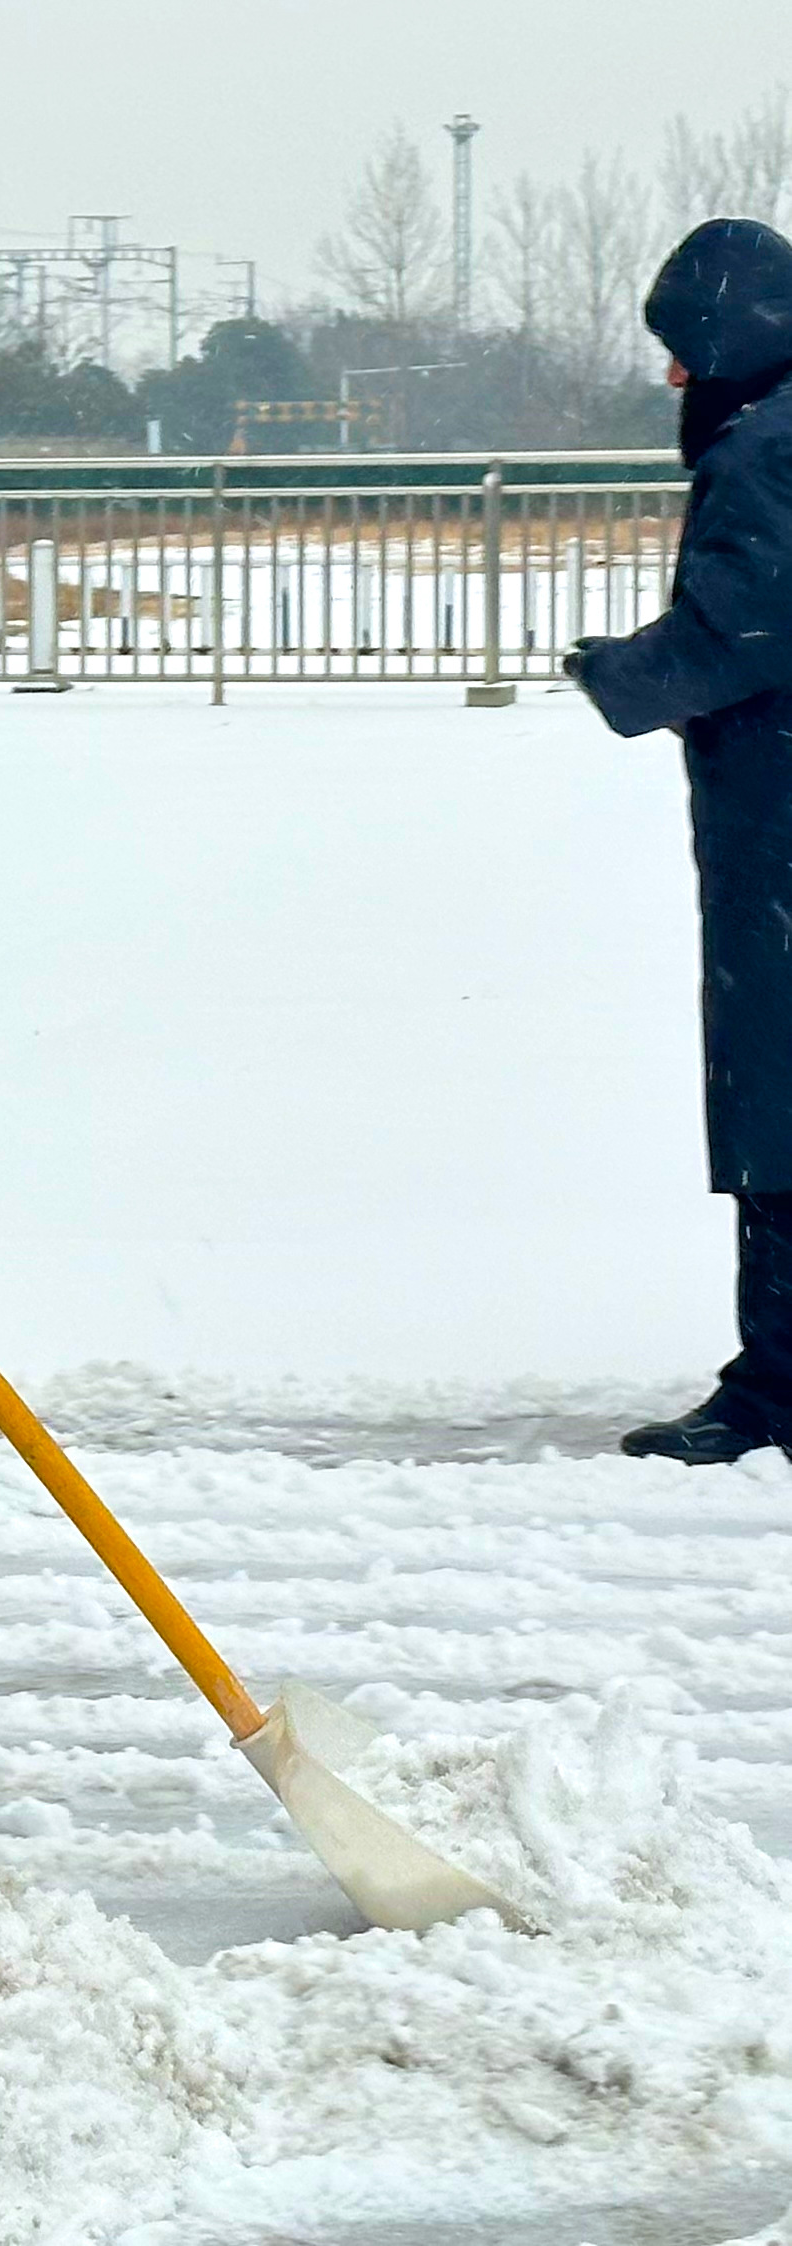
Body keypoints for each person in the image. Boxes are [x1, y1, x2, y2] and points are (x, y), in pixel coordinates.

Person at [573, 218, 792, 1464]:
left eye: (684, 348)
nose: (671, 375)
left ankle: (776, 1390)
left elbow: (738, 632)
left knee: (778, 1116)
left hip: (781, 833)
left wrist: (614, 674)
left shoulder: (767, 451)